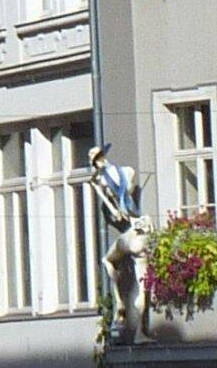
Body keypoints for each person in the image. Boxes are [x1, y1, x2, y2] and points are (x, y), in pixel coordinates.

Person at [86, 142, 151, 344]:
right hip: (139, 230)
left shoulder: (106, 182)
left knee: (107, 260)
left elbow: (112, 206)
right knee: (143, 286)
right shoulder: (125, 173)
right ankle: (139, 330)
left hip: (129, 234)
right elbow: (123, 195)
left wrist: (111, 206)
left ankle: (120, 305)